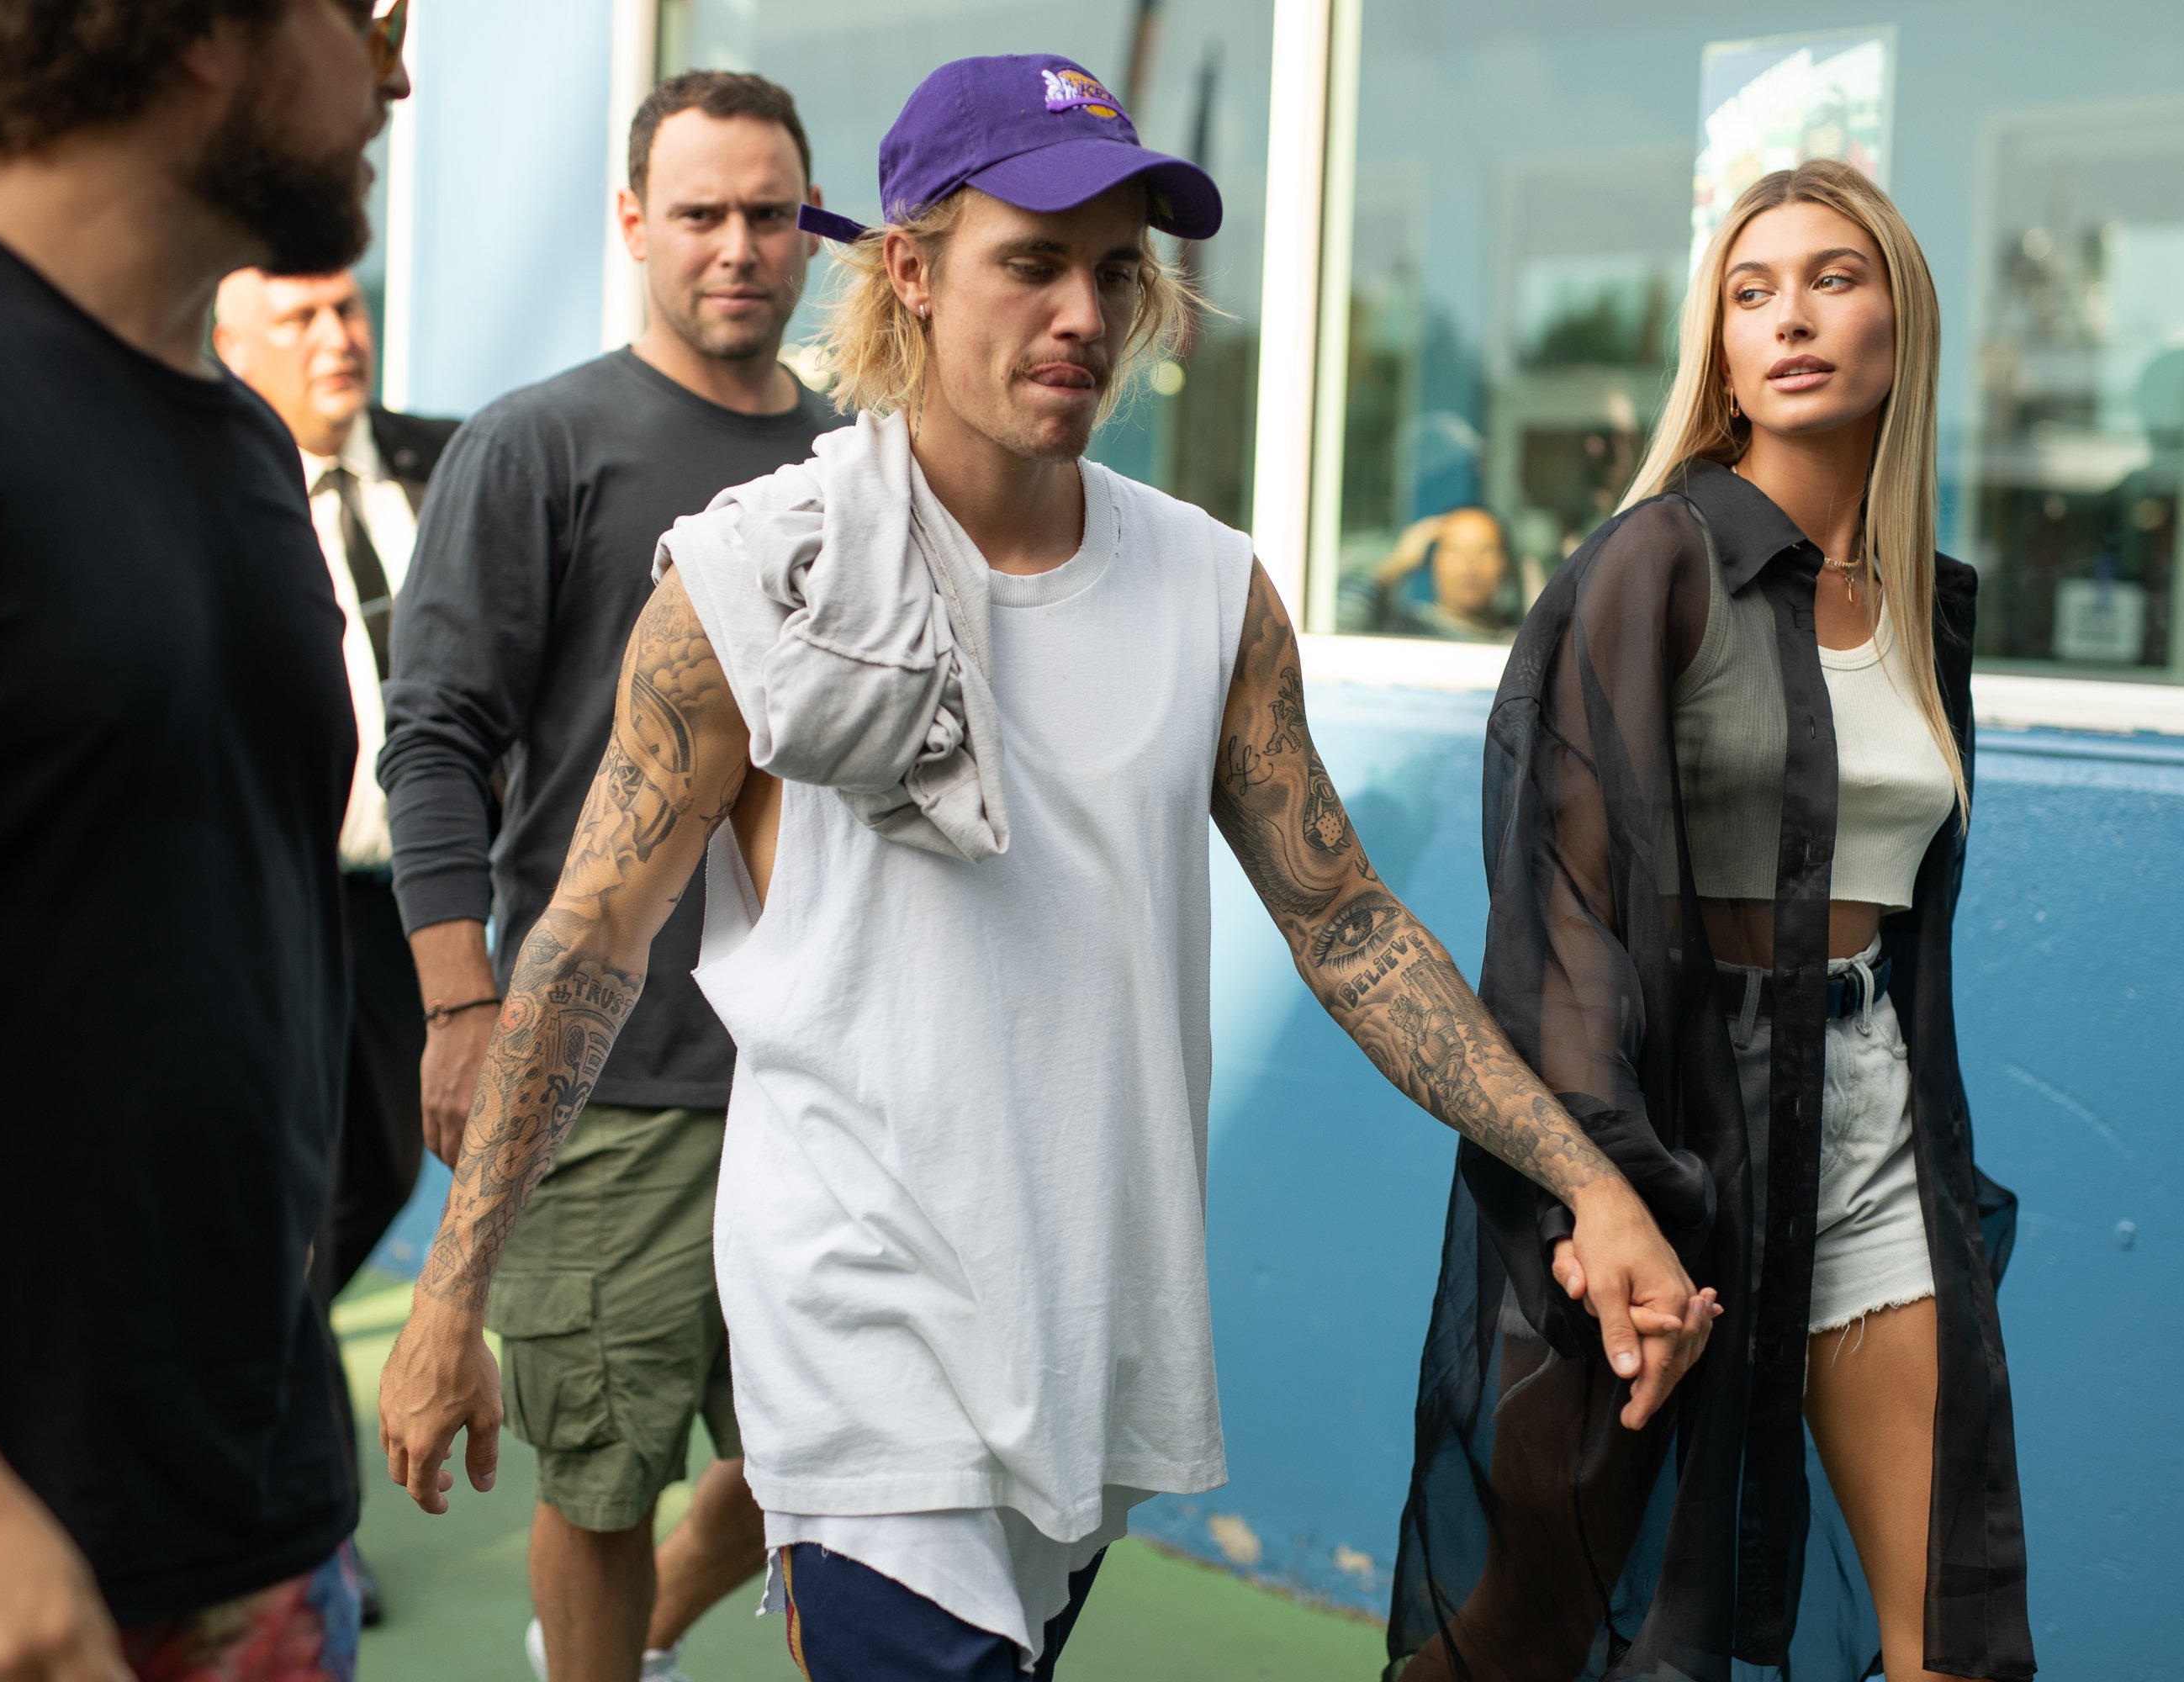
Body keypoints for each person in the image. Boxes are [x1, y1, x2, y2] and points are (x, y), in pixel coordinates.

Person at [376, 51, 1708, 1682]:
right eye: (1034, 259)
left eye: (1115, 270)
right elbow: (585, 947)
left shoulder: (1209, 590)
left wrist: (1587, 1175)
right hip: (860, 1333)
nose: (1083, 309)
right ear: (915, 271)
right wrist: (453, 1292)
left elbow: (1346, 921)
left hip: (1089, 1333)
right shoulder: (752, 582)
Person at [1387, 160, 2034, 1682]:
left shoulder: (1927, 608)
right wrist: (1598, 1187)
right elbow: (1557, 907)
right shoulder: (1654, 564)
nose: (1791, 317)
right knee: (1549, 1622)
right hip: (1676, 1131)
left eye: (1833, 278)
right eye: (1753, 292)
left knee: (1958, 1630)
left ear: (1901, 321)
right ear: (1721, 347)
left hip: (1870, 1131)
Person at [375, 69, 839, 1682]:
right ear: (635, 223)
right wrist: (461, 1007)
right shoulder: (536, 448)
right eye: (700, 213)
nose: (737, 248)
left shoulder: (864, 466)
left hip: (823, 1071)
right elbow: (432, 741)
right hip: (611, 1077)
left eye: (769, 215)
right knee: (597, 1465)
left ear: (812, 233)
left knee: (824, 1471)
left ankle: (628, 1644)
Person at [0, 3, 408, 1679]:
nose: (395, 72)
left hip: (252, 1535)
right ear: (205, 28)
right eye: (364, 17)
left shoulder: (238, 443)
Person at [211, 262, 458, 1626]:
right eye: (298, 318)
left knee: (363, 1181)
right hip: (280, 898)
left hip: (436, 903)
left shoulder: (453, 464)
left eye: (347, 309)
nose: (336, 336)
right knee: (295, 1211)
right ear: (233, 345)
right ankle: (315, 1537)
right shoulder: (211, 480)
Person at [1338, 505, 1523, 641]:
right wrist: (1397, 563)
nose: (1469, 566)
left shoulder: (1522, 640)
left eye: (1484, 550)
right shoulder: (1406, 631)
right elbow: (1342, 619)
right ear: (1434, 560)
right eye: (1455, 550)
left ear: (1504, 563)